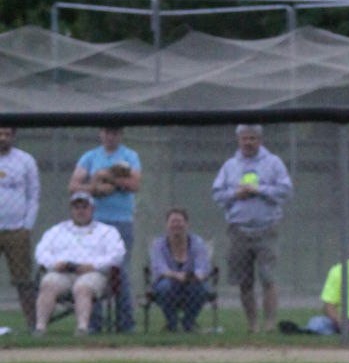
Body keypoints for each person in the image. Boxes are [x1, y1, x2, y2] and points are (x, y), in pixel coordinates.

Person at [211, 123, 293, 332]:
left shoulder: (273, 163)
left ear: (260, 140)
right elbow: (217, 194)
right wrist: (235, 194)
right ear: (239, 140)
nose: (248, 142)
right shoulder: (230, 166)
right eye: (245, 138)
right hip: (238, 231)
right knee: (244, 282)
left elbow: (285, 190)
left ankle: (270, 323)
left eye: (252, 138)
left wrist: (259, 190)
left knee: (268, 278)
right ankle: (252, 325)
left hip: (267, 229)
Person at [69, 122, 141, 333]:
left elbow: (135, 185)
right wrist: (95, 188)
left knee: (120, 270)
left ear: (121, 134)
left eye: (115, 132)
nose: (111, 136)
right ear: (101, 134)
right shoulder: (90, 157)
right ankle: (93, 322)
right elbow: (73, 187)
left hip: (122, 221)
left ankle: (125, 323)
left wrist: (107, 178)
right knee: (91, 269)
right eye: (107, 132)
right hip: (95, 222)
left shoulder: (130, 156)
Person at [33, 190, 126, 335]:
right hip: (62, 272)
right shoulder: (57, 230)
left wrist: (93, 266)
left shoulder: (106, 231)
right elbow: (41, 251)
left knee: (82, 287)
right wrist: (54, 264)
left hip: (93, 273)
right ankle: (40, 328)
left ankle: (82, 328)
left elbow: (117, 255)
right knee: (48, 283)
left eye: (84, 207)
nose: (80, 211)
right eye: (77, 207)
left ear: (92, 209)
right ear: (71, 210)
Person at [0, 124, 40, 330]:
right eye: (0, 133)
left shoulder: (25, 160)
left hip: (16, 229)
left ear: (13, 136)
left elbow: (34, 195)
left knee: (23, 280)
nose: (3, 138)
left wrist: (27, 226)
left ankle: (34, 325)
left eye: (7, 134)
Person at [148, 208, 214, 331]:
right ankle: (172, 323)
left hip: (192, 282)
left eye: (180, 221)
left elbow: (203, 268)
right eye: (172, 221)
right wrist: (177, 276)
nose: (176, 225)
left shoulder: (198, 243)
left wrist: (192, 277)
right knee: (165, 287)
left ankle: (188, 323)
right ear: (167, 225)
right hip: (167, 282)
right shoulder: (158, 244)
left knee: (200, 288)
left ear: (187, 224)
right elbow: (159, 268)